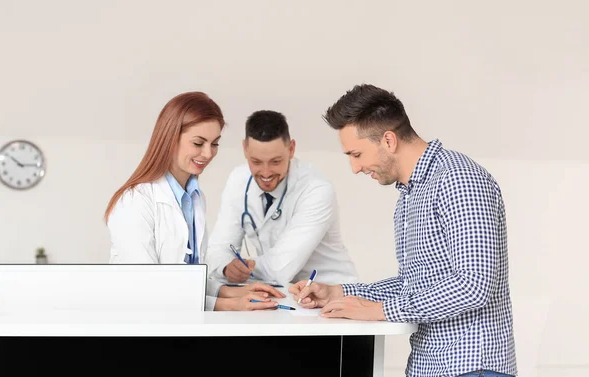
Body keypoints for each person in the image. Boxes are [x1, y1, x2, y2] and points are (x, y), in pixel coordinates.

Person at [290, 84, 517, 377]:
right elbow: (414, 283)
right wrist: (337, 292)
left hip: (469, 366)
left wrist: (379, 311)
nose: (354, 168)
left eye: (356, 154)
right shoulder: (411, 194)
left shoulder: (458, 180)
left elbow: (473, 286)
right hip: (430, 364)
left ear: (388, 140)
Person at [104, 91, 284, 311]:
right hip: (140, 325)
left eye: (215, 144)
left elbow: (187, 276)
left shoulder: (194, 198)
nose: (208, 154)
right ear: (170, 138)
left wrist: (235, 291)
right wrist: (228, 304)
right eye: (198, 143)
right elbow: (147, 287)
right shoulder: (135, 201)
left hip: (183, 324)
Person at [205, 110, 358, 286]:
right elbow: (217, 248)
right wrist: (225, 267)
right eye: (256, 162)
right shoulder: (238, 179)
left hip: (332, 292)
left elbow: (279, 269)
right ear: (245, 149)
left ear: (291, 149)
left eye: (275, 161)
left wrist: (241, 268)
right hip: (284, 294)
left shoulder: (316, 190)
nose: (266, 172)